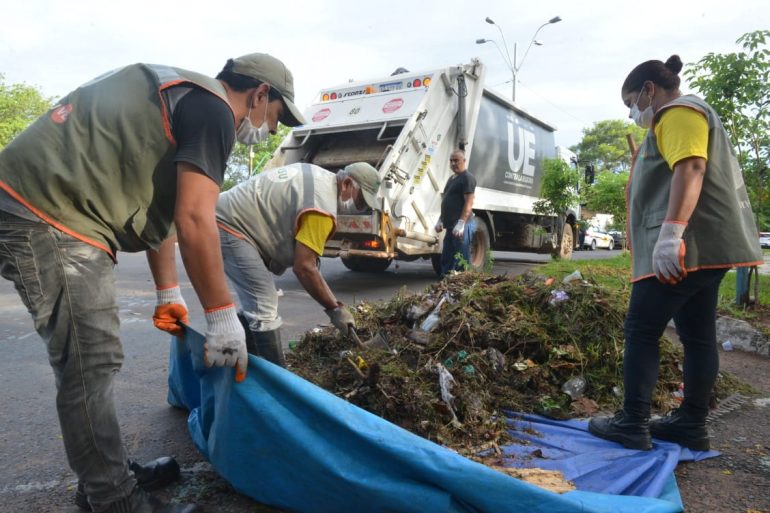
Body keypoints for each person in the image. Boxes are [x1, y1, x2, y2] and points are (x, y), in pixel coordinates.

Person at [0, 53, 305, 512]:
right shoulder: (215, 110)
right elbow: (196, 218)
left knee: (89, 360)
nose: (272, 130)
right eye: (276, 117)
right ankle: (113, 498)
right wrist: (223, 319)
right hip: (46, 213)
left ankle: (104, 475)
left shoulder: (186, 98)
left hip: (48, 205)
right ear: (260, 93)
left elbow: (165, 213)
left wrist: (168, 293)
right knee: (90, 359)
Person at [588, 55, 763, 451]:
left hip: (685, 247)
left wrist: (670, 235)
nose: (632, 113)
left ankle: (632, 422)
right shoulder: (687, 114)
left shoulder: (678, 112)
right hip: (705, 248)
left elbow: (692, 167)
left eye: (631, 102)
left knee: (641, 329)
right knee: (698, 334)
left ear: (649, 90)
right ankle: (691, 424)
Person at [215, 162, 381, 365]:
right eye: (361, 201)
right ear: (347, 184)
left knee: (256, 303)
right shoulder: (321, 207)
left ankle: (242, 363)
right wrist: (335, 309)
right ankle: (278, 377)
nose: (360, 208)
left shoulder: (320, 178)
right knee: (263, 304)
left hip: (227, 216)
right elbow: (304, 268)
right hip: (230, 225)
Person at [434, 149, 477, 277]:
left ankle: (463, 282)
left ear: (464, 161)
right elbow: (447, 201)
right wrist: (440, 219)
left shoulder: (467, 178)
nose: (453, 163)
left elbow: (469, 202)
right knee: (447, 256)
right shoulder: (452, 179)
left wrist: (461, 222)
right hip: (451, 226)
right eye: (451, 161)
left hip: (462, 225)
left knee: (461, 258)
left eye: (456, 160)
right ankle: (446, 281)